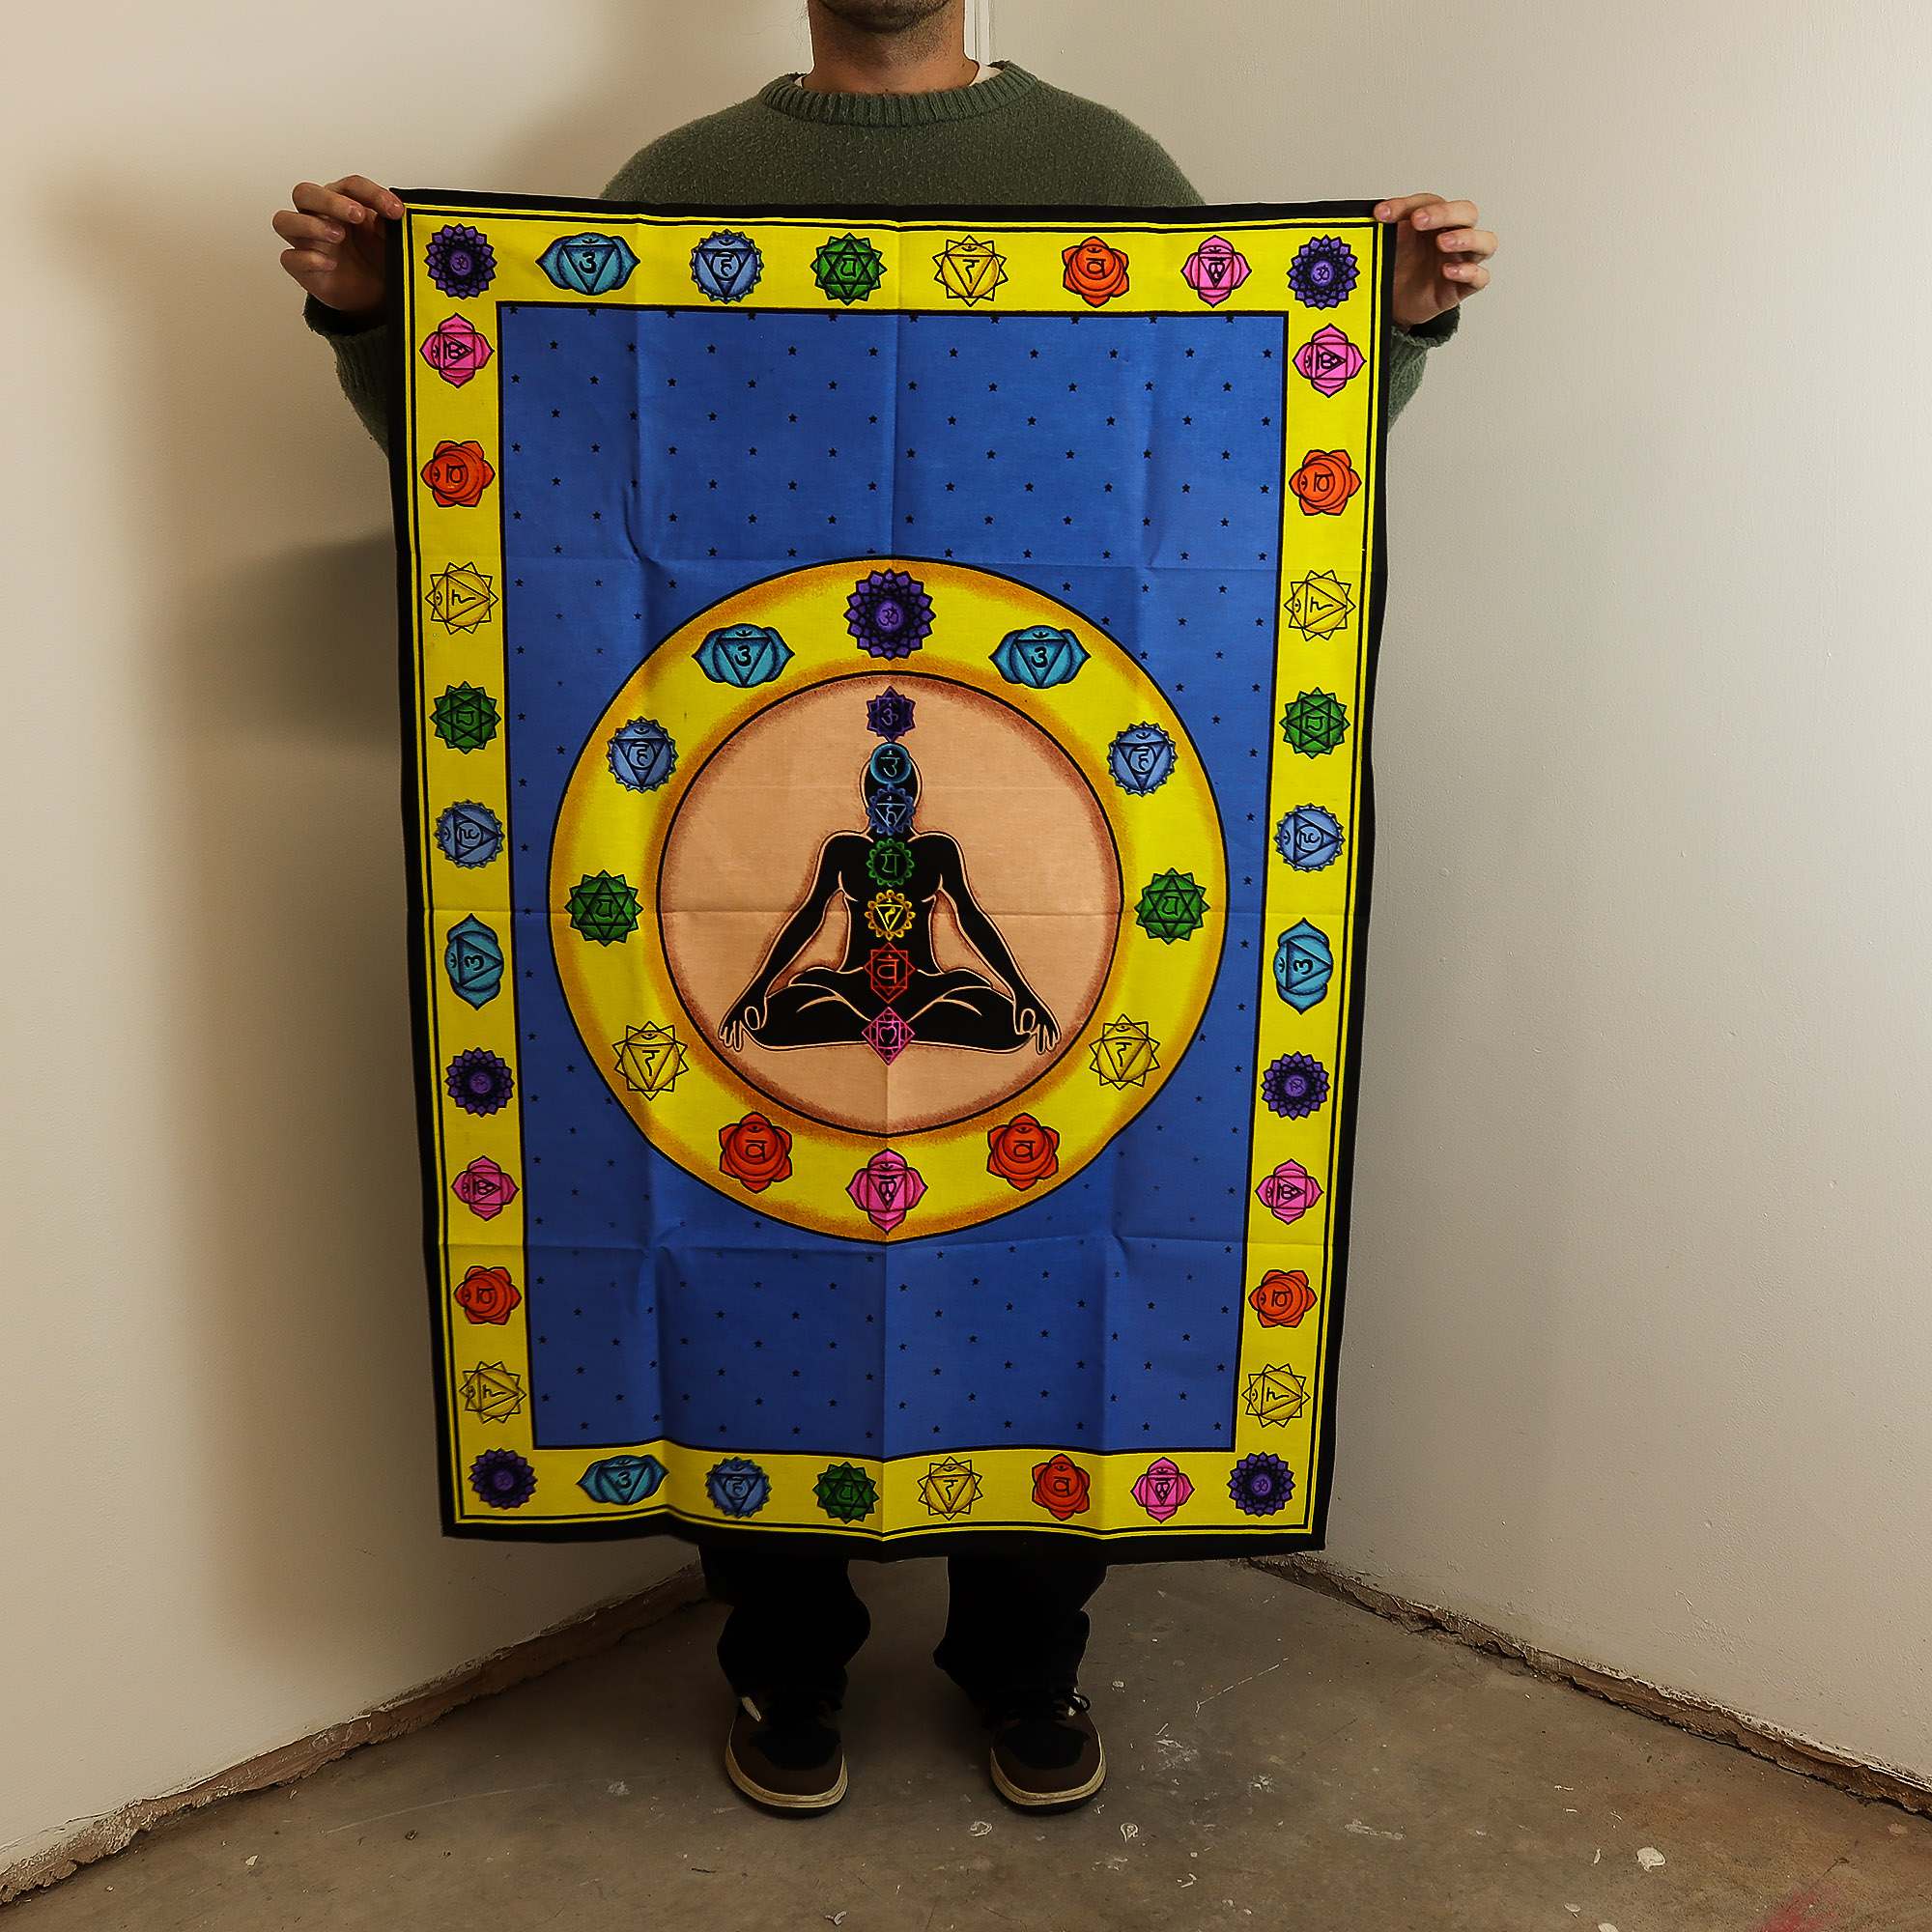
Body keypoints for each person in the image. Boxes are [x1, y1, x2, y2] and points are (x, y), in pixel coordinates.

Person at [271, 0, 1497, 1818]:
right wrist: (385, 319)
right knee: (727, 1241)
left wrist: (1387, 331)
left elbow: (1240, 453)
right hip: (734, 838)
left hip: (1063, 851)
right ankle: (784, 1664)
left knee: (1060, 1243)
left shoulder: (1107, 173)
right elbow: (535, 458)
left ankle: (1027, 1659)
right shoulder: (686, 184)